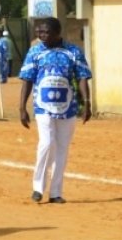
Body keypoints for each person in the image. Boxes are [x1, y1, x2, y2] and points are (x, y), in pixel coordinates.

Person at [19, 18, 92, 204]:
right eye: (39, 32)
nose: (41, 35)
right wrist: (22, 107)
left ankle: (56, 192)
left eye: (45, 32)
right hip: (42, 106)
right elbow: (27, 79)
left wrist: (86, 103)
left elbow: (83, 77)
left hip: (68, 107)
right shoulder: (35, 52)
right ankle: (38, 187)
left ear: (58, 33)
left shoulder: (73, 51)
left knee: (62, 148)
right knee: (46, 143)